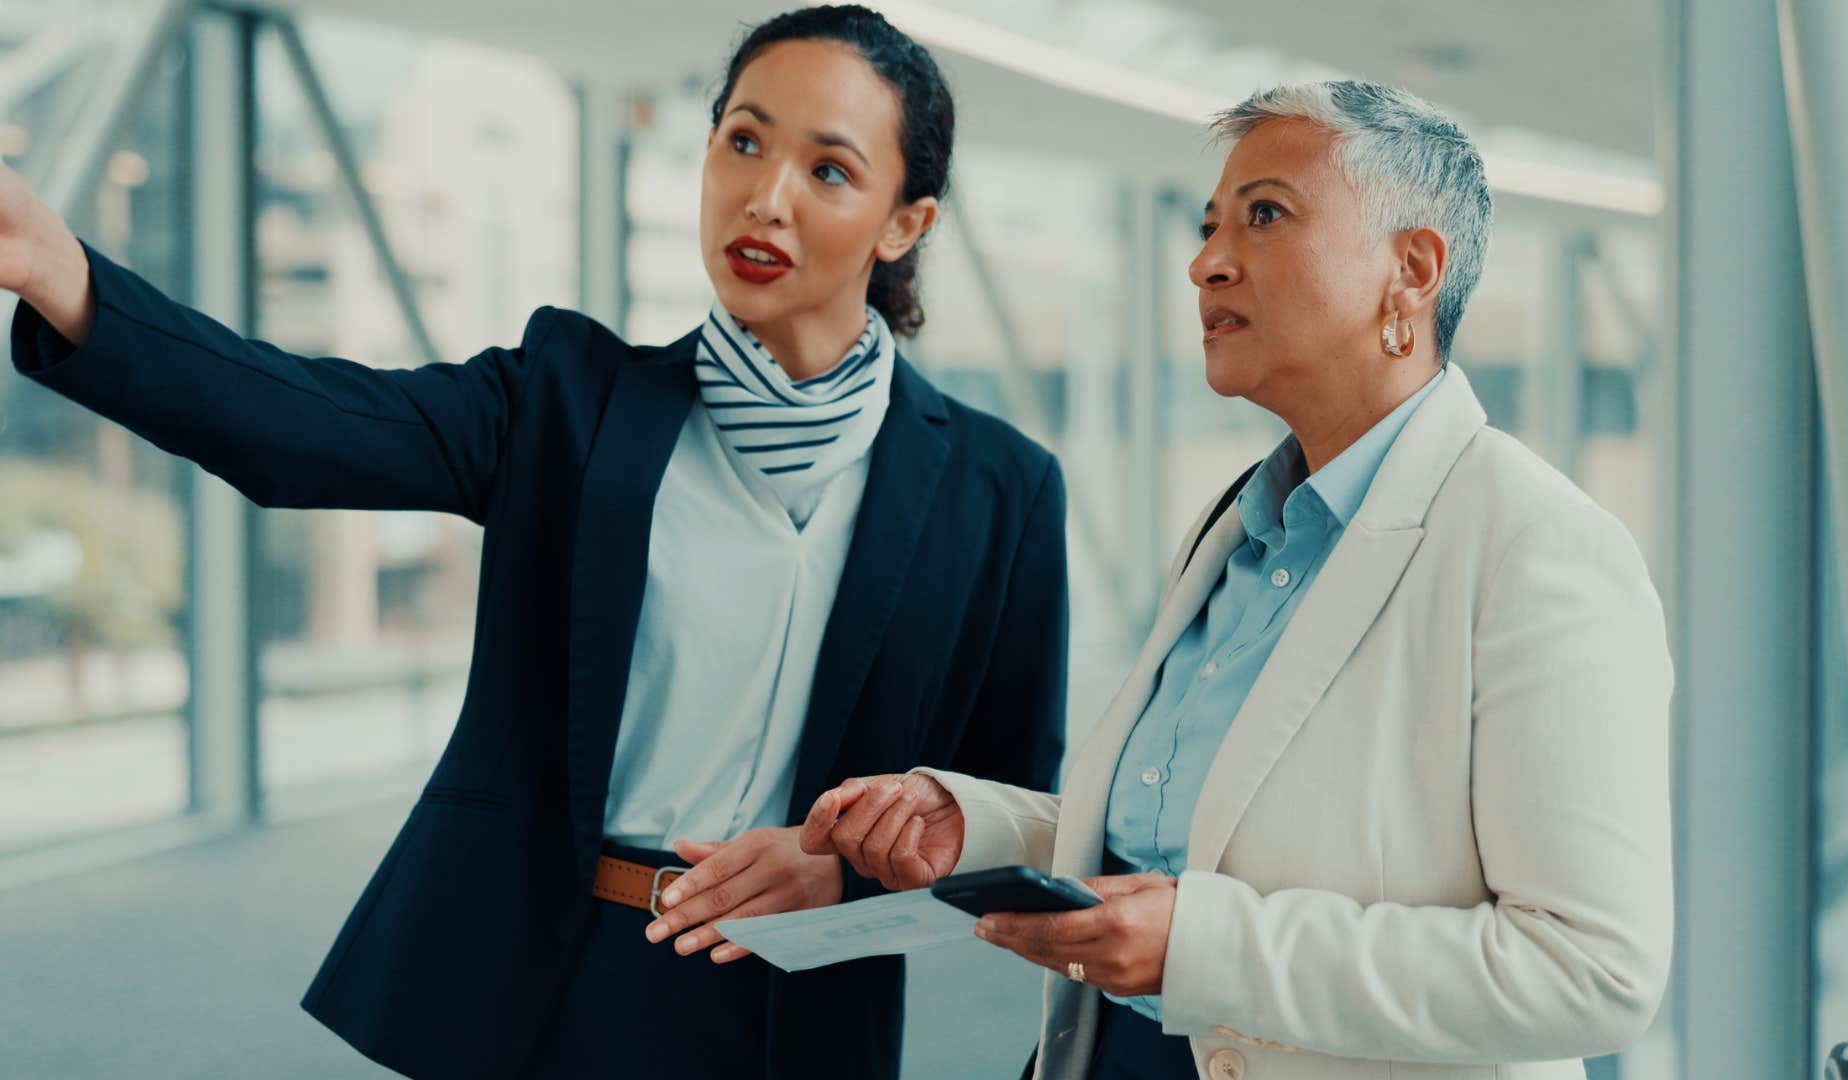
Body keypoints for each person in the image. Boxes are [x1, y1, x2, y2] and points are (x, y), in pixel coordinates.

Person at [0, 6, 1066, 1077]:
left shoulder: (999, 489)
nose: (766, 195)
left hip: (804, 1004)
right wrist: (62, 273)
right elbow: (302, 423)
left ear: (905, 223)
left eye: (829, 171)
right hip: (553, 979)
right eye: (743, 141)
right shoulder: (567, 401)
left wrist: (850, 872)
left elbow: (1017, 813)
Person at [802, 80, 1672, 1080]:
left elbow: (1593, 968)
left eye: (1266, 214)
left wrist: (1206, 950)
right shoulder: (1239, 531)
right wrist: (979, 830)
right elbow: (1193, 848)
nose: (1206, 261)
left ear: (1413, 269)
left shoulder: (1535, 545)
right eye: (1211, 223)